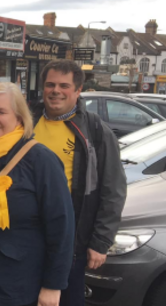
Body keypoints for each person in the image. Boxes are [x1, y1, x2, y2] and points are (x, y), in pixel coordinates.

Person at [0, 82, 75, 306]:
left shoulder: (40, 161)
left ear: (19, 117)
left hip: (15, 288)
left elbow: (61, 227)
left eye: (1, 112)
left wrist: (53, 285)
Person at [31, 60, 126, 306]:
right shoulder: (26, 121)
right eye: (50, 84)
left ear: (78, 89)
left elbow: (112, 189)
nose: (56, 91)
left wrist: (101, 242)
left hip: (72, 240)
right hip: (25, 236)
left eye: (64, 85)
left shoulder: (95, 130)